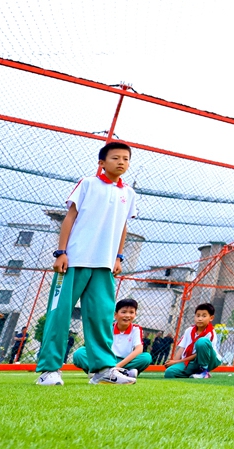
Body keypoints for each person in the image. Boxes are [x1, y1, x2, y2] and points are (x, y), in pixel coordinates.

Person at [35, 142, 139, 386]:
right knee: (60, 314)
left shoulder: (129, 194)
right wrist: (61, 252)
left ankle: (103, 370)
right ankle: (49, 370)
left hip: (104, 266)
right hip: (74, 261)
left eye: (125, 159)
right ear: (102, 163)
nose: (121, 162)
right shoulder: (88, 184)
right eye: (115, 158)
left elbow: (123, 226)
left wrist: (118, 257)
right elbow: (70, 217)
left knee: (101, 317)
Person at [73, 298, 152, 378]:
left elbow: (139, 349)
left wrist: (117, 366)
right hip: (106, 360)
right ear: (115, 315)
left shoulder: (136, 329)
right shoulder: (108, 327)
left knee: (146, 358)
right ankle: (123, 373)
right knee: (79, 353)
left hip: (124, 361)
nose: (127, 315)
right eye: (124, 312)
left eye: (131, 312)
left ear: (135, 315)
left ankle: (103, 373)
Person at [165, 303, 222, 378]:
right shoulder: (189, 330)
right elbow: (182, 348)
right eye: (198, 316)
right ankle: (195, 373)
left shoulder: (210, 333)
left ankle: (204, 371)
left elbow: (198, 354)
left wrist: (177, 362)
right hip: (192, 362)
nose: (200, 319)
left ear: (211, 318)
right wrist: (174, 363)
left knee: (202, 341)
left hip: (209, 360)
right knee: (169, 372)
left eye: (204, 316)